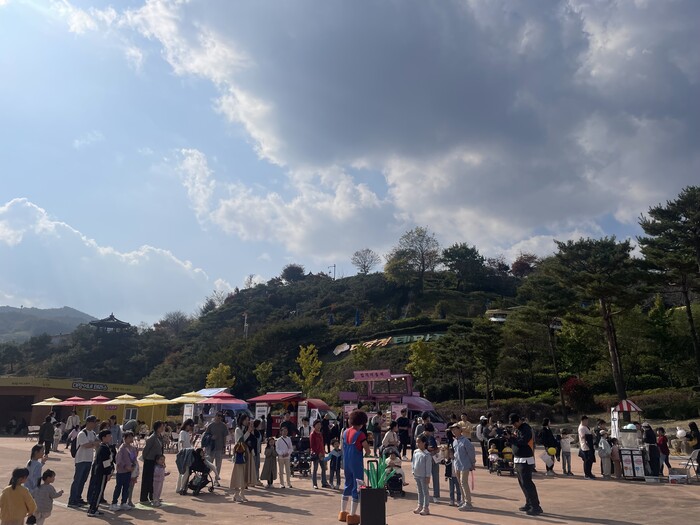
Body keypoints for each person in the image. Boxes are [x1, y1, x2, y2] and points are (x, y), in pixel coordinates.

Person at [338, 410, 370, 525]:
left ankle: (342, 512)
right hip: (356, 464)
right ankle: (352, 515)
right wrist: (367, 453)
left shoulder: (345, 432)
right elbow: (367, 448)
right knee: (357, 487)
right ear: (361, 423)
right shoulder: (360, 434)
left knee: (347, 485)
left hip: (346, 463)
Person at [510, 413, 542, 517]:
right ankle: (529, 503)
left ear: (519, 420)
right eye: (512, 424)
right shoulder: (518, 429)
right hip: (518, 459)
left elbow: (522, 441)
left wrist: (511, 438)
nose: (514, 425)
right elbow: (516, 442)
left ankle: (536, 506)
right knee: (522, 483)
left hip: (526, 460)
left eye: (515, 423)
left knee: (527, 483)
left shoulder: (526, 429)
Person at [68, 415, 98, 507]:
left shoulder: (93, 433)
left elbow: (96, 443)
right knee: (77, 480)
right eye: (93, 422)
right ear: (88, 422)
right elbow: (86, 445)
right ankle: (72, 500)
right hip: (81, 459)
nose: (95, 424)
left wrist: (94, 443)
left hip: (89, 459)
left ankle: (78, 497)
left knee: (83, 480)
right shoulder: (82, 433)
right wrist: (94, 443)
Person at [86, 429, 114, 517]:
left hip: (100, 471)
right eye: (109, 436)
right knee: (98, 491)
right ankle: (93, 509)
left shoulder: (103, 447)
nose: (110, 437)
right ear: (104, 437)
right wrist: (108, 472)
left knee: (97, 490)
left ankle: (93, 508)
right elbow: (105, 462)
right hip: (102, 472)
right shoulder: (104, 448)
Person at [451, 424, 475, 512]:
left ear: (460, 430)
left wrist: (472, 463)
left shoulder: (465, 441)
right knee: (460, 483)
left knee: (463, 482)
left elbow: (471, 452)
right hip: (457, 465)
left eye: (455, 429)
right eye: (452, 430)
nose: (453, 431)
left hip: (465, 464)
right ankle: (463, 500)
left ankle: (468, 503)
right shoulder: (454, 441)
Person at [110, 430, 136, 511]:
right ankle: (114, 503)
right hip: (121, 472)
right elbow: (119, 460)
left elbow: (133, 458)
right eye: (129, 437)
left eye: (132, 437)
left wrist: (133, 465)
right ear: (124, 438)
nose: (131, 439)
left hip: (129, 471)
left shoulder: (132, 448)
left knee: (126, 487)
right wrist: (125, 467)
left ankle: (124, 502)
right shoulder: (122, 448)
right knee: (118, 487)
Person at [140, 421, 164, 504]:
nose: (163, 428)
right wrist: (145, 458)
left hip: (157, 461)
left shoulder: (160, 437)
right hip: (149, 460)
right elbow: (146, 450)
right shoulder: (152, 438)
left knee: (154, 480)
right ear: (157, 428)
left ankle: (153, 496)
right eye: (161, 427)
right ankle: (143, 498)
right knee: (147, 479)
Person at [231, 414, 252, 503]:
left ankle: (242, 493)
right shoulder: (238, 429)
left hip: (246, 454)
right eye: (246, 420)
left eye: (248, 420)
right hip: (239, 454)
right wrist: (248, 432)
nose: (247, 422)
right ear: (242, 420)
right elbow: (240, 440)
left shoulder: (246, 429)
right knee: (238, 474)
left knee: (244, 474)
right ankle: (236, 494)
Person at [203, 413, 228, 487]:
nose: (219, 418)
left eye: (220, 417)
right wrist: (211, 437)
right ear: (215, 416)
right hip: (211, 448)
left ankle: (216, 480)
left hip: (219, 447)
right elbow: (205, 435)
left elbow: (225, 437)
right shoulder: (210, 425)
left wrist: (224, 446)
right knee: (209, 464)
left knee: (218, 465)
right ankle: (205, 477)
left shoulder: (223, 426)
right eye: (218, 416)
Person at [412, 435, 432, 516]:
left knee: (425, 492)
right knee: (419, 491)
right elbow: (413, 462)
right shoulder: (416, 452)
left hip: (423, 476)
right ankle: (419, 506)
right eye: (417, 442)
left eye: (419, 442)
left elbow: (428, 466)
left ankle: (426, 508)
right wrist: (413, 471)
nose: (417, 444)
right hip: (417, 474)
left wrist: (428, 476)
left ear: (424, 443)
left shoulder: (427, 454)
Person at [422, 423, 441, 503]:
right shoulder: (421, 437)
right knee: (424, 478)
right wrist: (427, 448)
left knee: (436, 478)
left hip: (434, 460)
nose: (430, 433)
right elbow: (419, 448)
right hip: (425, 460)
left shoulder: (432, 437)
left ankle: (436, 496)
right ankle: (425, 495)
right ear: (426, 431)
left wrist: (436, 450)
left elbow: (436, 448)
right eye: (429, 432)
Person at [175, 419, 194, 494]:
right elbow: (181, 443)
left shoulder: (186, 433)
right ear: (186, 425)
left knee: (182, 472)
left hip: (186, 453)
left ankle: (179, 488)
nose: (190, 427)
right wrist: (183, 451)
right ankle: (182, 488)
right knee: (185, 472)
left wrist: (193, 437)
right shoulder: (182, 432)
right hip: (184, 454)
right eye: (190, 425)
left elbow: (188, 443)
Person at [310, 419, 329, 489]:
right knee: (315, 469)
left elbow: (322, 444)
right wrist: (318, 453)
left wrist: (323, 452)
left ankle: (324, 482)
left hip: (322, 453)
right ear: (314, 426)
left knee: (323, 468)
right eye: (317, 425)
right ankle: (314, 484)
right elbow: (312, 446)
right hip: (316, 454)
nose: (319, 426)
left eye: (320, 425)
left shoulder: (320, 434)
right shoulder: (312, 434)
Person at [578, 415, 595, 479]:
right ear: (583, 420)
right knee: (587, 461)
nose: (587, 422)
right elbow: (582, 436)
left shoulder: (585, 427)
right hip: (585, 446)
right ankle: (587, 474)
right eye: (586, 421)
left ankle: (589, 473)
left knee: (590, 461)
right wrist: (589, 436)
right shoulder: (581, 428)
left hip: (589, 446)